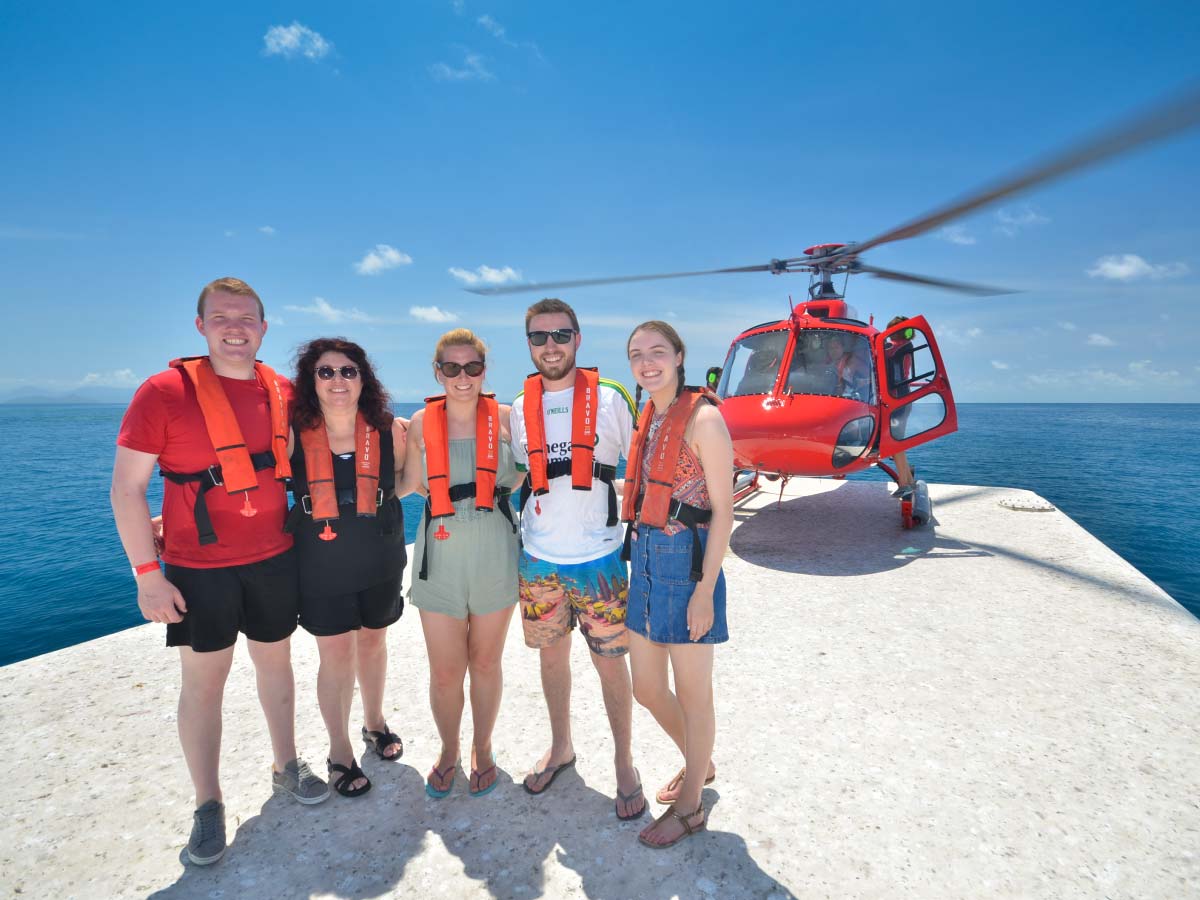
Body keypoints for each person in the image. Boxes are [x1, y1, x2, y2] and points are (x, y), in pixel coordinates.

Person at [110, 277, 327, 868]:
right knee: (204, 685)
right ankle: (208, 802)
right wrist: (146, 576)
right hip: (198, 567)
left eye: (247, 318)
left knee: (276, 665)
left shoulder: (280, 390)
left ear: (264, 327)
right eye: (222, 317)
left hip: (273, 556)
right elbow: (126, 490)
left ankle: (286, 765)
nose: (236, 327)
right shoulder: (161, 392)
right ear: (200, 325)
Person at [509, 297, 645, 820]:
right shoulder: (521, 407)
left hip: (601, 560)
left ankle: (625, 764)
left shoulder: (611, 399)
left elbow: (642, 462)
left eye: (561, 335)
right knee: (550, 659)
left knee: (611, 663)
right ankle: (561, 746)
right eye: (539, 336)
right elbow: (523, 472)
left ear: (578, 339)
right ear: (528, 343)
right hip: (539, 559)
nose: (550, 346)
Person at [622, 320, 734, 849]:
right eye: (637, 354)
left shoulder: (704, 419)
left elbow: (724, 512)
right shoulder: (653, 413)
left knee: (694, 695)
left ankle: (692, 805)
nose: (647, 362)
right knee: (645, 687)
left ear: (680, 355)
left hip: (685, 566)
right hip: (643, 559)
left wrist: (705, 589)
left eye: (657, 352)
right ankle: (700, 762)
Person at [400, 328, 520, 799]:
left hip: (495, 553)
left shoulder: (509, 419)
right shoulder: (416, 424)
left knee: (486, 663)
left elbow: (550, 463)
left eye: (472, 367)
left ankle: (483, 748)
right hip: (441, 557)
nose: (462, 377)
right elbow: (406, 484)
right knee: (446, 671)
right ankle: (449, 750)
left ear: (484, 371)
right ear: (437, 372)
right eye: (451, 368)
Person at [286, 338, 409, 798]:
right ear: (311, 381)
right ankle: (340, 751)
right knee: (335, 655)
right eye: (326, 371)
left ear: (363, 379)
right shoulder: (293, 432)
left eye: (348, 371)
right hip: (320, 560)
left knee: (374, 641)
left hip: (379, 552)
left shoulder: (386, 430)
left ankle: (374, 724)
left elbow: (405, 482)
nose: (338, 380)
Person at [884, 315, 917, 493]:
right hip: (899, 399)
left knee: (896, 444)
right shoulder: (899, 346)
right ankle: (910, 481)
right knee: (898, 444)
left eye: (892, 331)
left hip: (899, 400)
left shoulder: (902, 347)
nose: (889, 335)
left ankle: (904, 485)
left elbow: (887, 352)